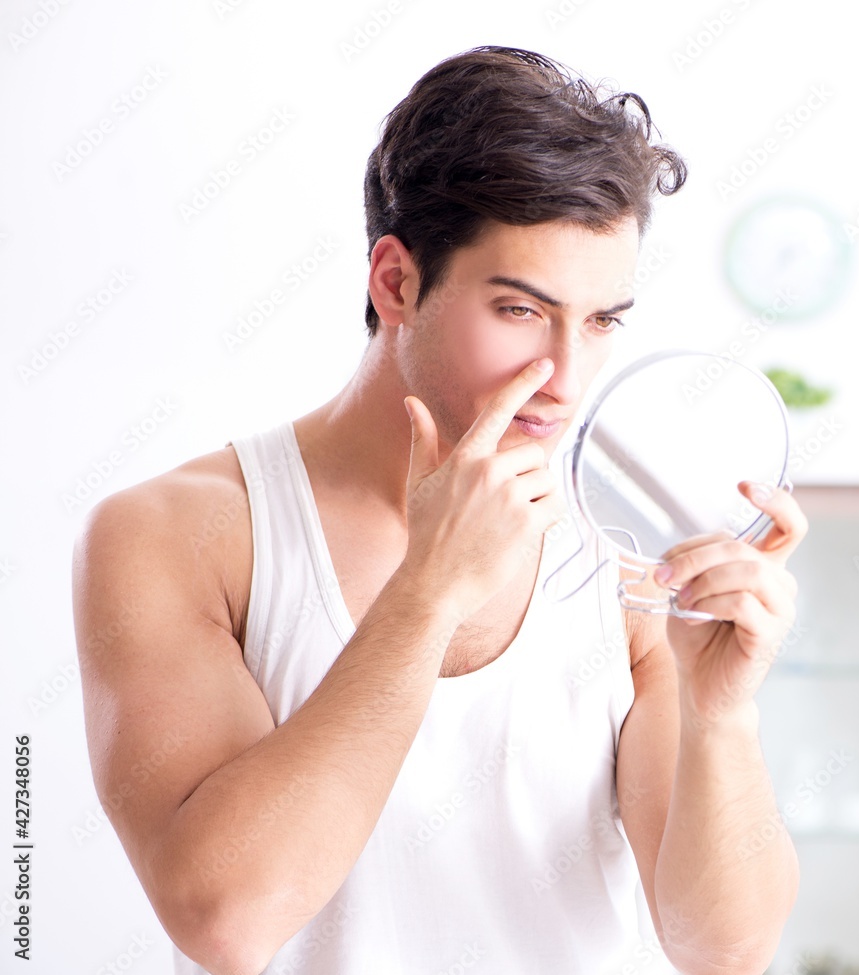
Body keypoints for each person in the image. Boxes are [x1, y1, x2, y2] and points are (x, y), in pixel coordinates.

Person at [72, 45, 808, 975]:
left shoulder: (620, 552)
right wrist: (427, 593)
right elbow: (225, 921)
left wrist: (721, 716)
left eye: (601, 321)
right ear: (396, 282)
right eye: (519, 311)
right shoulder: (179, 532)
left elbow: (724, 950)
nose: (565, 380)